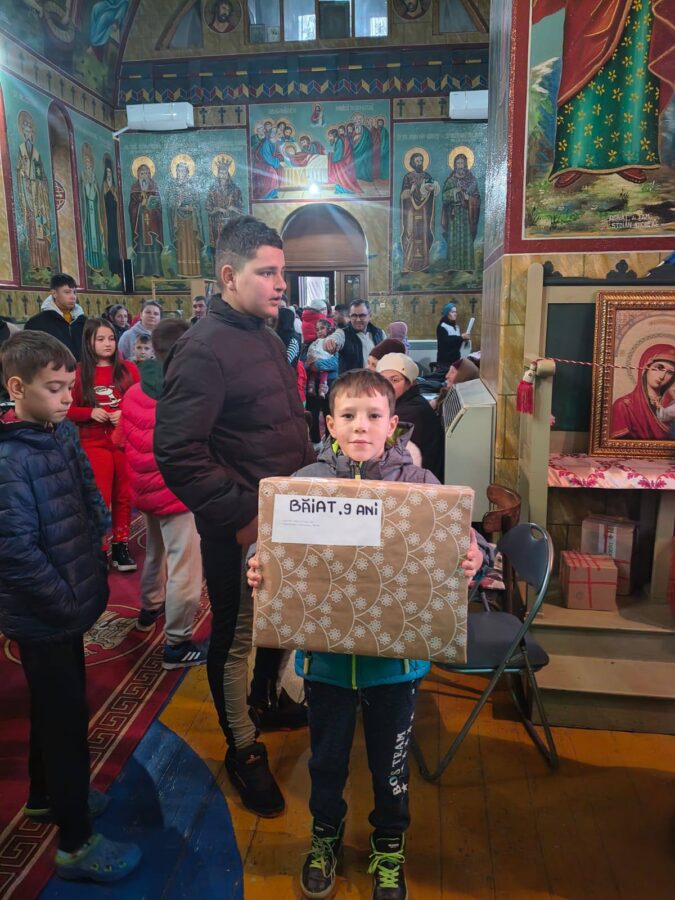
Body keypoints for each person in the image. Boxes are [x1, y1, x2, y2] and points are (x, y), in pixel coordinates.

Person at [247, 369, 482, 900]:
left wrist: (475, 556)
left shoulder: (420, 485)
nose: (361, 426)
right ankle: (324, 836)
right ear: (329, 424)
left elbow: (464, 540)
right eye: (348, 415)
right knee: (325, 761)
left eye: (374, 415)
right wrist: (259, 564)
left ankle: (389, 845)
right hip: (325, 661)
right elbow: (271, 544)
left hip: (395, 667)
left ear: (392, 424)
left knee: (390, 767)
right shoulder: (305, 483)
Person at [154, 216, 314, 817]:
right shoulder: (203, 347)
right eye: (267, 273)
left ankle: (267, 700)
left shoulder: (264, 336)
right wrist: (245, 518)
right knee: (237, 636)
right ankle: (243, 748)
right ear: (228, 275)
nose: (281, 284)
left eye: (282, 272)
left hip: (286, 517)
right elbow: (178, 452)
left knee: (283, 620)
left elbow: (276, 424)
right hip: (241, 528)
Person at [0, 331, 141, 883]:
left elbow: (85, 490)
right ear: (17, 388)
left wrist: (99, 533)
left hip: (66, 600)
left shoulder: (54, 433)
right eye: (54, 388)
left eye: (69, 387)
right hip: (45, 611)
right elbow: (14, 551)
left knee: (54, 708)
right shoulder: (11, 459)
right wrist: (66, 601)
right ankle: (76, 842)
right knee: (64, 726)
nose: (66, 398)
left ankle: (45, 795)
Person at [120, 318, 208, 669]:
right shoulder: (185, 393)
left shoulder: (133, 390)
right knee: (185, 565)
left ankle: (150, 606)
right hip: (177, 492)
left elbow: (124, 439)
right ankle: (177, 642)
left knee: (155, 552)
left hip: (144, 489)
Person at [532, 0, 674, 188]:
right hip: (589, 7)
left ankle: (630, 155)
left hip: (637, 8)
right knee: (582, 74)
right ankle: (575, 158)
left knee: (634, 72)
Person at [68, 318, 139, 572]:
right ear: (89, 342)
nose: (107, 344)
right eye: (100, 339)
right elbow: (67, 409)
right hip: (94, 441)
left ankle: (121, 545)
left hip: (123, 441)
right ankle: (98, 547)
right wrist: (89, 412)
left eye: (111, 338)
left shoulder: (128, 369)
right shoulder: (78, 372)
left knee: (123, 495)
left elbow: (141, 402)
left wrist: (125, 412)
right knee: (99, 496)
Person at [376, 352, 444, 479]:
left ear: (410, 383)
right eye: (382, 380)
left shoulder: (410, 413)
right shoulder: (405, 402)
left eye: (394, 380)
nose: (386, 386)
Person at [610, 344, 675, 441]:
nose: (662, 376)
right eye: (659, 367)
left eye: (670, 372)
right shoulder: (624, 406)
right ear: (645, 366)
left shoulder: (671, 404)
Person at [24, 273, 86, 361]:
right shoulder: (36, 323)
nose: (73, 297)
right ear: (54, 293)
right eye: (67, 292)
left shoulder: (83, 320)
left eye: (74, 292)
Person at [400, 152, 440, 272]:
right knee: (409, 233)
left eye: (421, 161)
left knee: (424, 234)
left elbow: (432, 189)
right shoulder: (408, 177)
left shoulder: (427, 176)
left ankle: (424, 265)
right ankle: (408, 264)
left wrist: (431, 189)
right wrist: (411, 190)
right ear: (412, 163)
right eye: (417, 161)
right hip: (410, 211)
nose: (419, 163)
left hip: (424, 211)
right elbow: (403, 196)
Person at [441, 153, 481, 273]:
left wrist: (469, 198)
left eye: (462, 163)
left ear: (465, 164)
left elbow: (477, 198)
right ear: (454, 165)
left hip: (466, 214)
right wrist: (454, 191)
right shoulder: (450, 181)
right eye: (458, 163)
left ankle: (467, 266)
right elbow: (444, 197)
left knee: (466, 239)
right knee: (454, 239)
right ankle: (452, 266)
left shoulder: (471, 181)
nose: (460, 165)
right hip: (453, 215)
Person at [324, 299, 386, 374]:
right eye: (354, 316)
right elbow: (333, 338)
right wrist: (329, 342)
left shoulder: (380, 333)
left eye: (362, 315)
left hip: (376, 379)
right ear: (349, 316)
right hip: (352, 381)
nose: (358, 319)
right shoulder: (343, 333)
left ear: (370, 316)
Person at [306, 317, 337, 399]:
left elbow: (335, 358)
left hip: (328, 372)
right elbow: (310, 350)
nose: (319, 331)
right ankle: (311, 388)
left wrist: (318, 363)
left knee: (324, 372)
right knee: (312, 374)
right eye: (317, 329)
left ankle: (322, 390)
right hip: (314, 362)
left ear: (328, 329)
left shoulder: (331, 341)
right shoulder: (315, 342)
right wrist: (309, 359)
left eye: (322, 328)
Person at [436, 302, 470, 374]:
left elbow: (456, 342)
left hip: (455, 360)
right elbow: (447, 342)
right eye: (452, 312)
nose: (455, 314)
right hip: (445, 362)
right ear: (447, 313)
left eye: (455, 312)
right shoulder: (442, 326)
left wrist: (464, 339)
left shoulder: (456, 327)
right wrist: (461, 337)